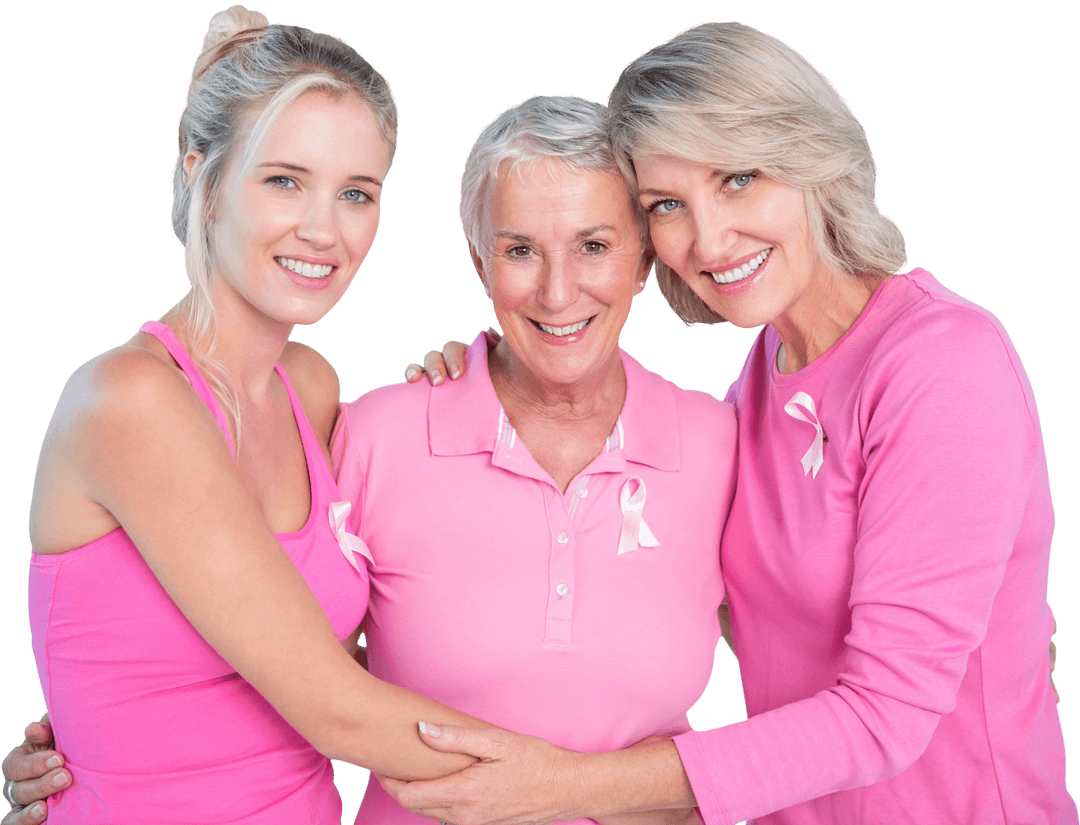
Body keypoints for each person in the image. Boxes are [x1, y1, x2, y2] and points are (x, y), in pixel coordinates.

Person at [383, 20, 1075, 825]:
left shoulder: (942, 362)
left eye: (739, 178)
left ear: (809, 156)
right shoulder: (754, 388)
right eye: (669, 204)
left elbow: (888, 712)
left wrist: (562, 786)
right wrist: (498, 378)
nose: (710, 239)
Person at [6, 93, 735, 825]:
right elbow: (304, 668)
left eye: (594, 246)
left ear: (644, 260)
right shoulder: (376, 433)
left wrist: (621, 790)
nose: (557, 289)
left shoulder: (723, 444)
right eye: (519, 250)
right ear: (481, 266)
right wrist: (100, 724)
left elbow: (798, 710)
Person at [1, 6, 488, 823]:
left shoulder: (312, 386)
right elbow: (338, 710)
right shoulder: (129, 401)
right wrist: (595, 786)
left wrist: (475, 392)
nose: (323, 229)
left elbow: (353, 655)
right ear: (205, 177)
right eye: (283, 180)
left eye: (356, 193)